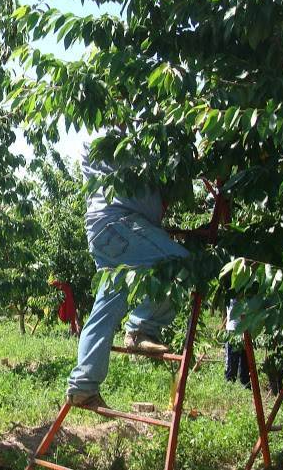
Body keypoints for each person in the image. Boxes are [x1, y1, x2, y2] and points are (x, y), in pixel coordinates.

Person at [66, 141, 189, 408]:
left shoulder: (105, 139)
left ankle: (83, 387)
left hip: (107, 232)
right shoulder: (125, 138)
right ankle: (141, 329)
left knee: (107, 307)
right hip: (121, 225)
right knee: (179, 263)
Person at [224, 299, 251, 388]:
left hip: (245, 328)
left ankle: (245, 383)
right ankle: (229, 383)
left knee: (245, 358)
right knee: (232, 358)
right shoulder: (230, 293)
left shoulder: (247, 292)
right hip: (233, 329)